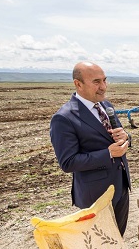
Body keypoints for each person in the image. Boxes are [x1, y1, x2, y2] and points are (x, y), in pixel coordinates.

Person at [50, 61, 132, 236]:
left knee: (118, 239)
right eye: (96, 82)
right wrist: (108, 153)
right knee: (100, 247)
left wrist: (126, 138)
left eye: (104, 80)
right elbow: (68, 162)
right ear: (78, 84)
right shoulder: (64, 118)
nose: (103, 87)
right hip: (95, 196)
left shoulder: (107, 106)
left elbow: (120, 137)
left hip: (121, 188)